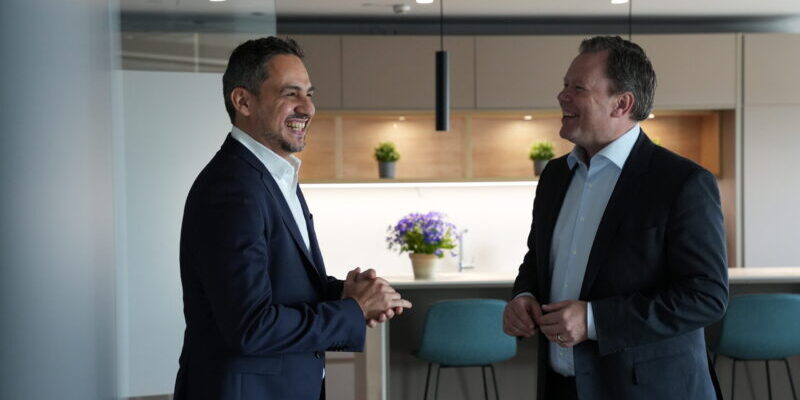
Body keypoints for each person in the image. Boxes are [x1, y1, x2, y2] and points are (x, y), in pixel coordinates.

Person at [173, 37, 412, 400]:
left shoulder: (273, 176)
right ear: (243, 101)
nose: (308, 108)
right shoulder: (232, 189)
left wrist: (344, 293)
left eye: (309, 94)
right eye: (291, 94)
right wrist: (352, 310)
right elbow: (251, 326)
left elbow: (279, 287)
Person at [502, 36, 728, 400]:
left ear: (622, 104)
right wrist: (525, 295)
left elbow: (706, 296)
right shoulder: (555, 175)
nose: (561, 96)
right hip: (562, 387)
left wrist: (594, 320)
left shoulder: (683, 182)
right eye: (564, 85)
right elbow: (537, 259)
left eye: (577, 88)